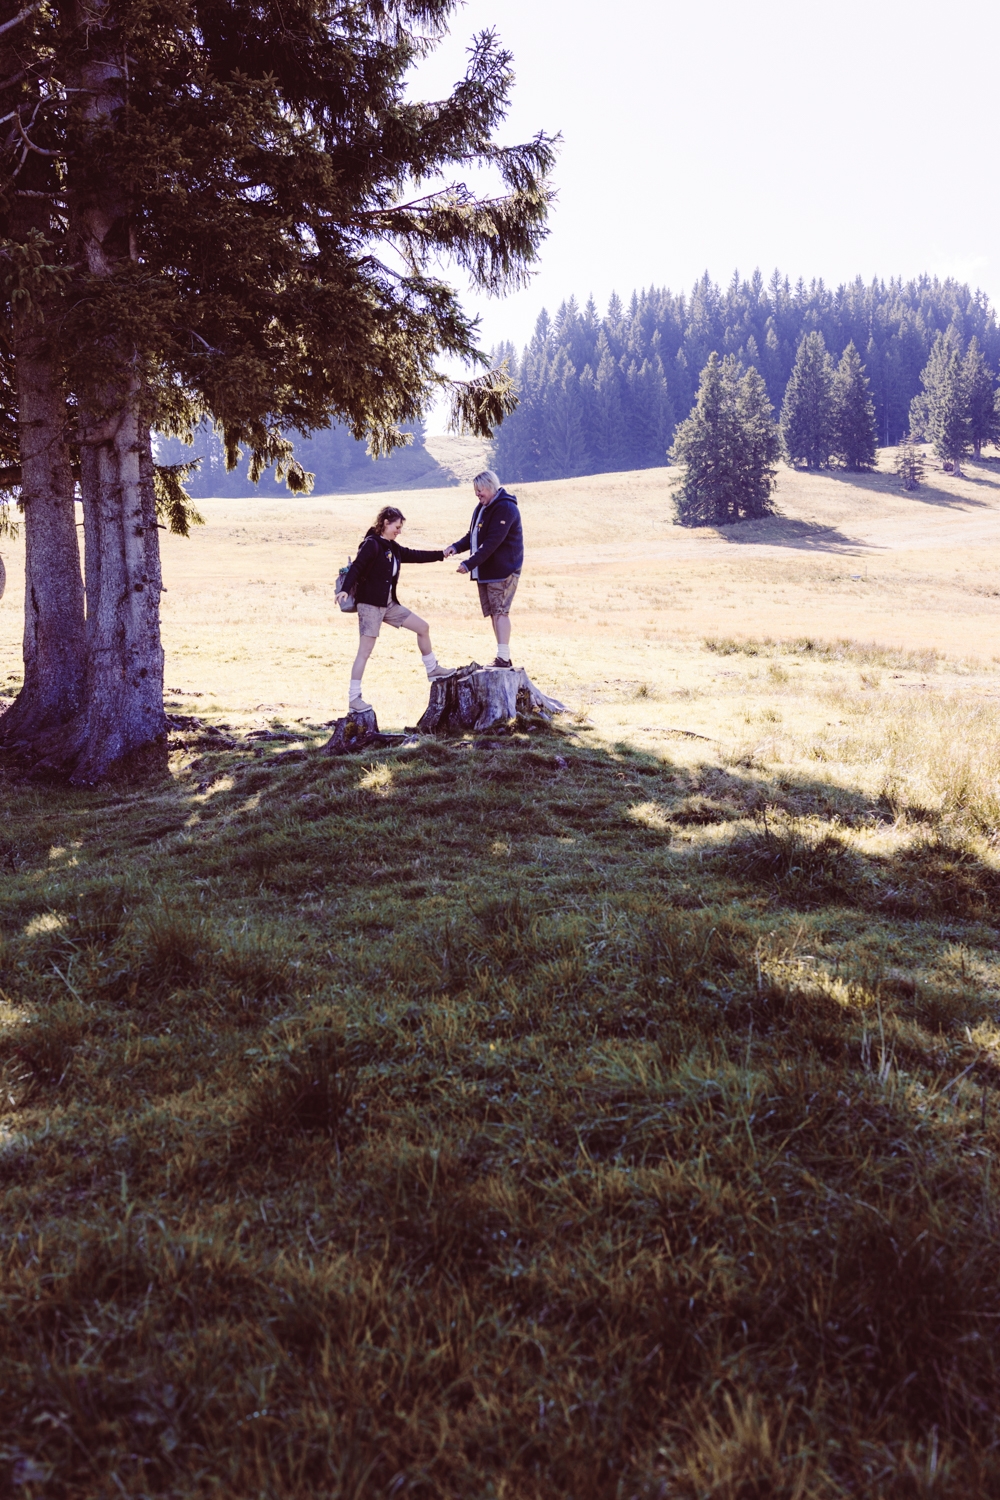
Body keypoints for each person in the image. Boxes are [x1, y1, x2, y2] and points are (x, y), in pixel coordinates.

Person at [336, 505, 452, 714]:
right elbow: (357, 567)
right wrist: (344, 590)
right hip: (370, 605)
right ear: (385, 523)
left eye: (401, 528)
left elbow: (415, 555)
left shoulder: (393, 547)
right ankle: (354, 699)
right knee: (364, 652)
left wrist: (441, 554)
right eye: (397, 527)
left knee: (423, 627)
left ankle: (433, 669)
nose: (399, 531)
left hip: (388, 604)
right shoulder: (372, 545)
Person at [444, 469, 524, 669]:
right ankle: (502, 656)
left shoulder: (505, 508)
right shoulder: (482, 507)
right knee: (494, 613)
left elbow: (492, 543)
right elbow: (473, 536)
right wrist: (455, 547)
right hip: (487, 572)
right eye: (475, 491)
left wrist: (468, 564)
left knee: (500, 612)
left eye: (480, 490)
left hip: (503, 571)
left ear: (490, 486)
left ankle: (503, 658)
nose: (477, 494)